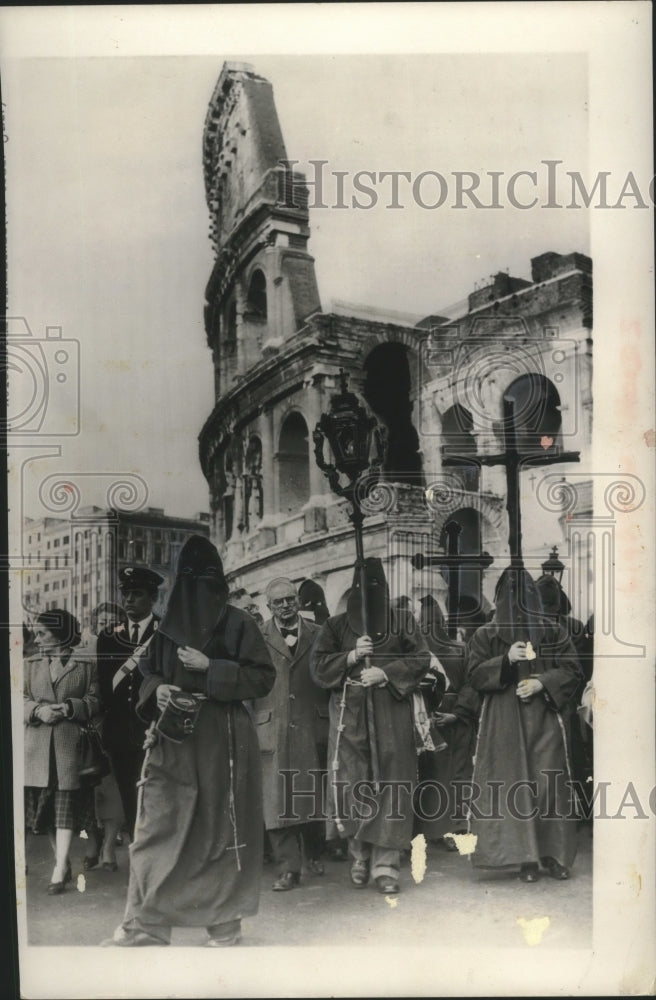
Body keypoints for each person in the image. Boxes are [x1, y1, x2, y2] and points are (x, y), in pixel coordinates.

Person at [104, 535, 275, 947]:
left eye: (208, 579)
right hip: (173, 739)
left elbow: (263, 677)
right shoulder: (166, 629)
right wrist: (158, 689)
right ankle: (149, 924)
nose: (199, 590)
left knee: (219, 828)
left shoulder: (238, 622)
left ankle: (224, 923)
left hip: (223, 741)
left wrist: (212, 666)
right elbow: (147, 674)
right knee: (159, 826)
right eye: (191, 579)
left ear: (220, 581)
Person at [310, 558, 431, 895]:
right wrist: (350, 657)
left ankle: (386, 864)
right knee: (352, 783)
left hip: (391, 712)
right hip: (350, 715)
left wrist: (386, 673)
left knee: (392, 783)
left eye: (378, 585)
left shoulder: (402, 620)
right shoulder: (335, 626)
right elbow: (318, 668)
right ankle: (359, 854)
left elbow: (421, 659)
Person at [467, 567, 582, 882]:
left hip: (545, 717)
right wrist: (505, 660)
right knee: (515, 787)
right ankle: (526, 859)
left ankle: (552, 855)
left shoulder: (553, 631)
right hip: (504, 720)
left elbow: (573, 669)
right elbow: (474, 675)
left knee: (549, 786)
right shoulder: (485, 635)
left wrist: (542, 683)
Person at [251, 577, 329, 891]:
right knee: (276, 799)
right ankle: (288, 869)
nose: (285, 606)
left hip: (312, 724)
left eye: (289, 599)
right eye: (278, 602)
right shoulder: (258, 638)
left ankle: (314, 853)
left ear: (298, 600)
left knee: (312, 793)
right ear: (268, 607)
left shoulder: (318, 634)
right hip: (273, 725)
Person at [24, 609, 101, 894]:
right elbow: (17, 697)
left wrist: (71, 707)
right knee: (44, 810)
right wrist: (38, 711)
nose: (37, 637)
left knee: (65, 805)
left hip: (70, 744)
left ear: (61, 633)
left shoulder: (86, 664)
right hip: (38, 746)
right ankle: (63, 861)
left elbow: (95, 699)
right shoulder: (29, 664)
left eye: (42, 632)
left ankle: (58, 870)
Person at [96, 566, 163, 839]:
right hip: (120, 730)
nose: (129, 600)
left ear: (153, 598)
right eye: (126, 594)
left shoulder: (165, 633)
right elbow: (104, 684)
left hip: (153, 728)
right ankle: (138, 849)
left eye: (137, 594)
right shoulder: (109, 636)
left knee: (153, 791)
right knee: (127, 791)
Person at [414, 597, 480, 848]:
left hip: (448, 716)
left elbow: (471, 683)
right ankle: (445, 828)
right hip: (442, 716)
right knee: (443, 773)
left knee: (447, 773)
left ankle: (448, 828)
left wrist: (457, 713)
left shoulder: (458, 649)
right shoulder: (453, 649)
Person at [82, 602, 129, 873]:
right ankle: (92, 843)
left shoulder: (123, 649)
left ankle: (109, 846)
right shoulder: (83, 650)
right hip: (87, 726)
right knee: (88, 789)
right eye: (102, 621)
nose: (107, 626)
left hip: (114, 726)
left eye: (112, 621)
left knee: (112, 791)